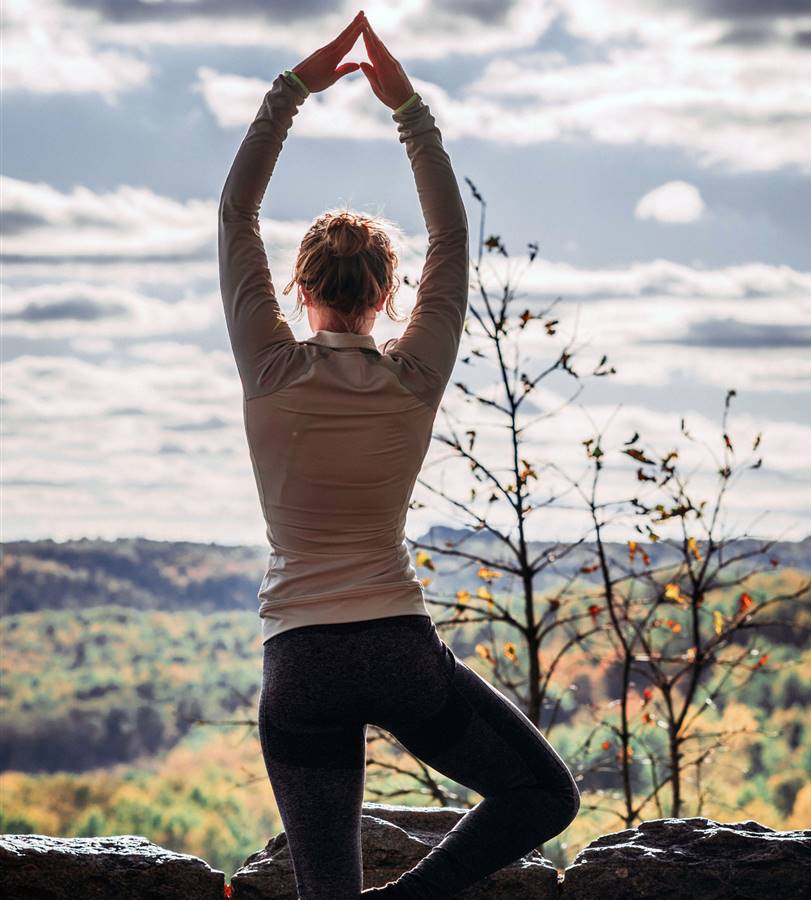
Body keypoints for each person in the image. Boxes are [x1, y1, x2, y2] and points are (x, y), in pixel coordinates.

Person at [217, 10, 580, 899]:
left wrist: (292, 91)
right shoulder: (415, 374)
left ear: (298, 288)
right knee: (542, 795)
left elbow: (236, 212)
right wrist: (406, 108)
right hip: (396, 649)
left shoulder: (269, 366)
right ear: (390, 292)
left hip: (298, 662)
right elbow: (452, 235)